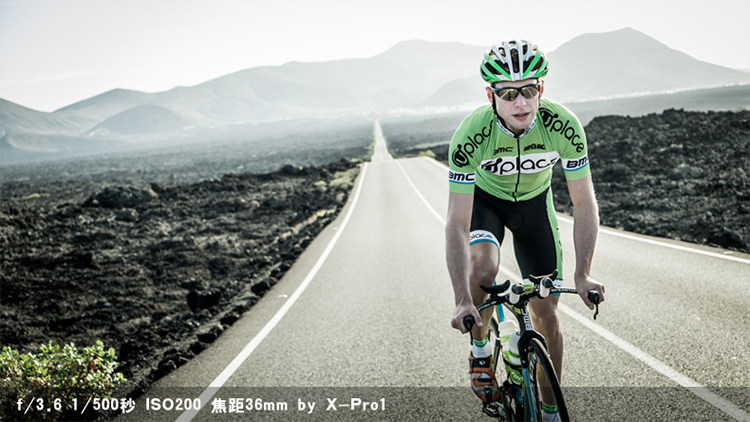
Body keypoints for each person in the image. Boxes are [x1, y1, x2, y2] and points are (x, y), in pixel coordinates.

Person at [445, 40, 606, 421]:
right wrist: (461, 299)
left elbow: (584, 204)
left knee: (546, 312)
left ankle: (550, 412)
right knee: (484, 268)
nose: (521, 103)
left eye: (529, 90)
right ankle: (481, 352)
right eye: (508, 94)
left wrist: (583, 273)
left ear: (541, 89)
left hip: (534, 208)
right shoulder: (471, 135)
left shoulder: (563, 126)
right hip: (486, 204)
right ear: (491, 96)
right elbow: (457, 223)